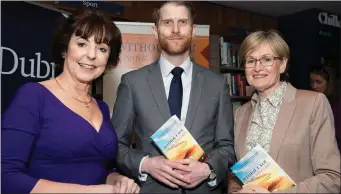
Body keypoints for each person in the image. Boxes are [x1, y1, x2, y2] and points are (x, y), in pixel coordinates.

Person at [1, 9, 140, 194]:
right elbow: (6, 178)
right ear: (65, 49)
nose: (92, 55)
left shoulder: (102, 108)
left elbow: (97, 168)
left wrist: (116, 179)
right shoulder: (33, 96)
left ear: (109, 60)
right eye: (82, 44)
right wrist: (95, 192)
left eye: (102, 49)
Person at [112, 1, 235, 193]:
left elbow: (226, 146)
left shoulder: (217, 84)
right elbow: (117, 146)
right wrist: (146, 164)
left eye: (182, 22)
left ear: (193, 30)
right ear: (155, 30)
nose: (175, 29)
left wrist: (207, 169)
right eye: (168, 22)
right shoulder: (132, 83)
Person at [227, 30, 340, 193]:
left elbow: (333, 178)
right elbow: (237, 172)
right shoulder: (241, 113)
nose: (257, 67)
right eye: (250, 60)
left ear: (283, 64)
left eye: (266, 59)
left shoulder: (313, 103)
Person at [309, 66, 341, 151]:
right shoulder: (310, 101)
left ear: (329, 83)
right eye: (311, 82)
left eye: (319, 82)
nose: (314, 86)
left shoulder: (336, 107)